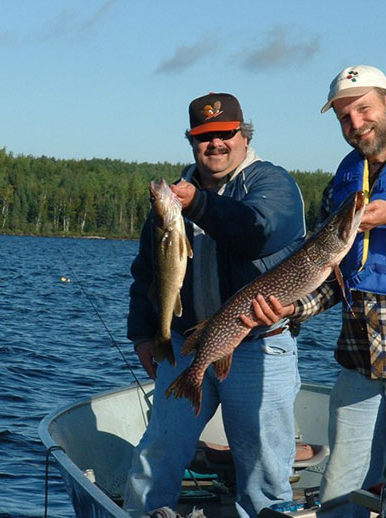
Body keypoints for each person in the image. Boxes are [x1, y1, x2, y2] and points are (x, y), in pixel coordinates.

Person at [242, 65, 386, 517]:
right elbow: (330, 272)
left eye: (363, 109)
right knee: (341, 485)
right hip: (359, 355)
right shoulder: (346, 178)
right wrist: (290, 308)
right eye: (344, 117)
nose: (355, 124)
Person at [123, 92, 307, 518]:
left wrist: (200, 205)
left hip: (261, 345)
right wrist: (143, 334)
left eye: (226, 134)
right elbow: (149, 273)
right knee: (158, 453)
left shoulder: (270, 184)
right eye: (205, 137)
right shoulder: (172, 199)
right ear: (191, 141)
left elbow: (255, 232)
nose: (216, 144)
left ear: (244, 134)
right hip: (188, 346)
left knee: (263, 469)